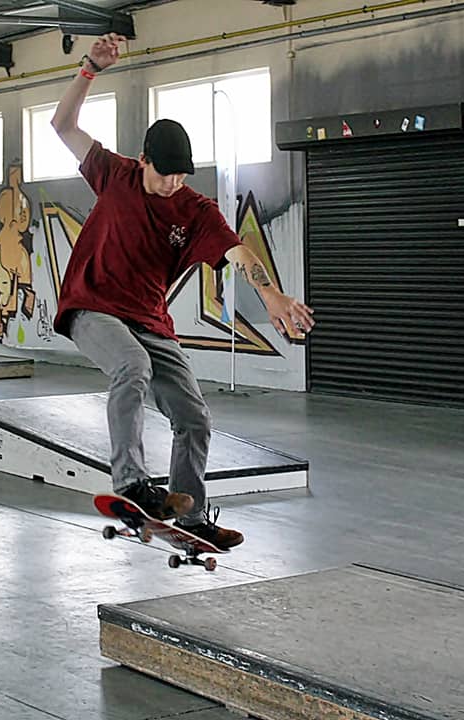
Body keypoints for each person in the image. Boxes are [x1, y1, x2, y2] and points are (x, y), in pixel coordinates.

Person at [50, 34, 315, 549]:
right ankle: (131, 483)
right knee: (131, 366)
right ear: (143, 160)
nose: (172, 184)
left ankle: (187, 518)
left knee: (194, 417)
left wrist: (272, 296)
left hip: (149, 319)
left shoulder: (195, 211)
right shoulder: (114, 174)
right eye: (163, 174)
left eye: (180, 176)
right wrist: (89, 70)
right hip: (92, 308)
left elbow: (237, 252)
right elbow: (63, 126)